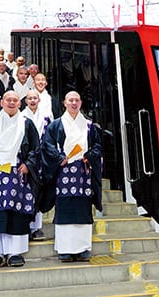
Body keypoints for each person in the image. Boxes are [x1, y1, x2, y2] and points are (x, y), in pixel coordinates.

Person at [0, 91, 41, 268]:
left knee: (17, 211)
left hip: (19, 173)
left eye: (15, 100)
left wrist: (28, 164)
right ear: (2, 102)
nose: (11, 103)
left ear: (20, 104)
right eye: (8, 100)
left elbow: (36, 148)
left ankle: (15, 252)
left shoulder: (27, 124)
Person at [41, 91, 102, 262]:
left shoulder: (89, 126)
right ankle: (65, 249)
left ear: (81, 103)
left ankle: (83, 248)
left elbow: (97, 146)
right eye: (70, 100)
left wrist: (89, 156)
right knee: (65, 209)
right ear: (64, 103)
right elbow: (48, 145)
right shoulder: (55, 125)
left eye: (77, 100)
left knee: (83, 208)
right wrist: (59, 158)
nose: (74, 103)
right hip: (63, 172)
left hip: (83, 172)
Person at [21, 89, 52, 241]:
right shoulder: (21, 117)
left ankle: (36, 227)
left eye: (35, 98)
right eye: (30, 98)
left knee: (38, 191)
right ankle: (24, 224)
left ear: (39, 100)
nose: (32, 100)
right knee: (24, 189)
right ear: (25, 101)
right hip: (26, 158)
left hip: (42, 159)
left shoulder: (46, 117)